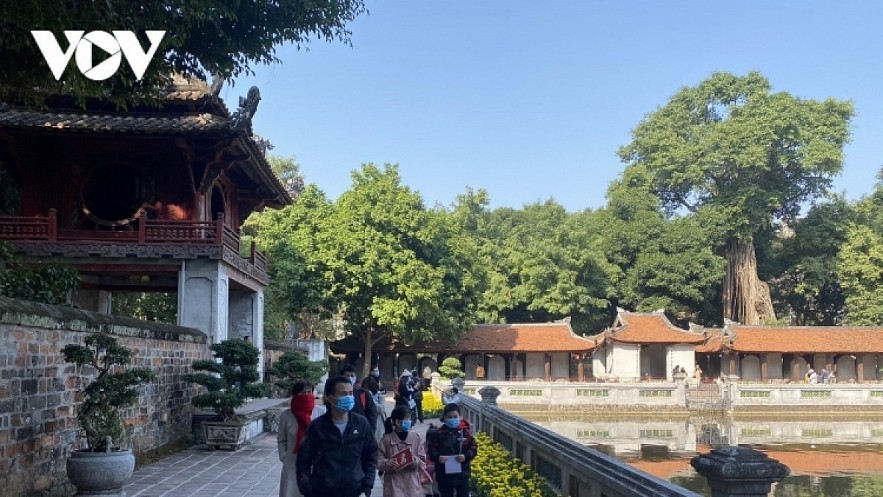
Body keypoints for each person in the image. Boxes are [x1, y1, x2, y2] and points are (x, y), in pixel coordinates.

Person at [296, 375, 378, 497]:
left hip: (355, 491)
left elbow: (371, 456)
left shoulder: (361, 424)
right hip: (323, 491)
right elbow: (303, 461)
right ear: (330, 398)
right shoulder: (317, 427)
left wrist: (367, 487)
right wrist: (308, 490)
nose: (349, 397)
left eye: (350, 393)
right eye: (343, 394)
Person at [277, 380, 321, 497]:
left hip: (315, 461)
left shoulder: (320, 412)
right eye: (303, 392)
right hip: (292, 461)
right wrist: (284, 456)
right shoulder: (286, 415)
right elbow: (281, 439)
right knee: (292, 490)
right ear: (296, 395)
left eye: (309, 392)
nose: (307, 395)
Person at [426, 403, 477, 497]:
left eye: (455, 416)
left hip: (462, 474)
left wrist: (465, 456)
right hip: (443, 474)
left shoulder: (465, 433)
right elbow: (431, 450)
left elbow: (473, 448)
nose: (452, 419)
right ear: (444, 418)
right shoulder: (438, 434)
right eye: (449, 417)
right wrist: (438, 457)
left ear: (460, 417)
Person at [377, 405, 425, 497]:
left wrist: (413, 459)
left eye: (409, 418)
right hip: (393, 484)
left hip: (412, 484)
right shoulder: (386, 440)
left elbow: (422, 459)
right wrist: (388, 463)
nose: (409, 421)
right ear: (398, 422)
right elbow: (377, 460)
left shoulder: (416, 437)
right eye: (407, 419)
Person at [340, 364, 379, 433]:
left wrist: (370, 433)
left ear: (356, 377)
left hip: (360, 432)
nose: (349, 378)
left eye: (352, 376)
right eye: (347, 376)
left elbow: (372, 415)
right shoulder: (336, 394)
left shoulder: (363, 394)